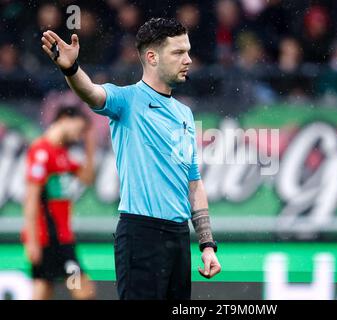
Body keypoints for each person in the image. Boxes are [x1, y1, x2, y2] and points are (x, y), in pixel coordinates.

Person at [40, 17, 221, 300]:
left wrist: (207, 245)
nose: (188, 59)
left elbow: (193, 183)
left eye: (187, 51)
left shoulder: (184, 115)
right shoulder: (127, 100)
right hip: (141, 234)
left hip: (179, 237)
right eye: (178, 52)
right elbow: (90, 92)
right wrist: (72, 68)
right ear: (151, 57)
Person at [22, 106, 96, 300]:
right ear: (64, 119)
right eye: (79, 130)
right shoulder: (41, 152)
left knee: (44, 289)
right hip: (49, 238)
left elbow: (87, 178)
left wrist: (90, 145)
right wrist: (32, 241)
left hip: (60, 236)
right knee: (82, 290)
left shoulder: (61, 153)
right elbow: (31, 199)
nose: (79, 136)